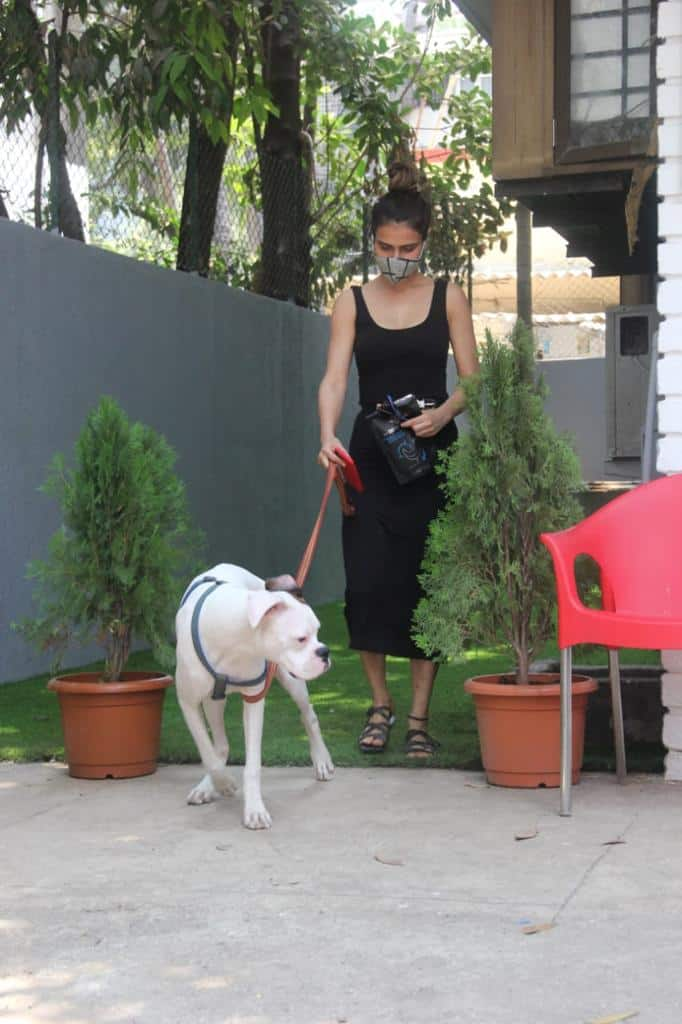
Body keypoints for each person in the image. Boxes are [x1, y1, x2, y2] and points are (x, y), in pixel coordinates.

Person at [317, 160, 479, 757]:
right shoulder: (351, 300)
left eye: (406, 248)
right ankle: (378, 706)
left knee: (425, 582)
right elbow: (334, 379)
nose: (395, 257)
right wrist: (327, 435)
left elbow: (474, 380)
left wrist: (443, 414)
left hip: (433, 457)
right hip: (370, 457)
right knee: (368, 581)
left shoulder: (448, 296)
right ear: (374, 243)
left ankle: (417, 718)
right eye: (385, 246)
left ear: (424, 244)